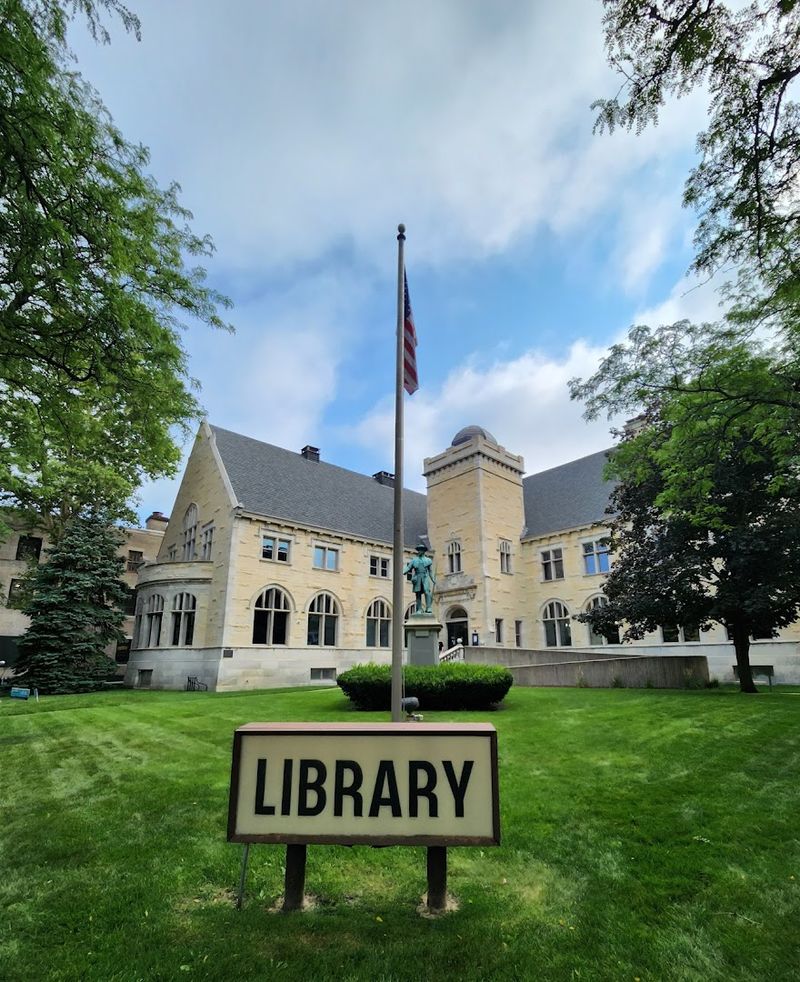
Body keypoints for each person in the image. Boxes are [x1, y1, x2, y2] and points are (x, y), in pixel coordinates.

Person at [403, 545, 436, 615]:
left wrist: (432, 579)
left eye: (421, 550)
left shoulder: (428, 560)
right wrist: (403, 571)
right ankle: (419, 609)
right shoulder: (414, 560)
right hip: (417, 577)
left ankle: (428, 608)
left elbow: (430, 571)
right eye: (419, 550)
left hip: (425, 577)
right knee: (418, 594)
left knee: (427, 592)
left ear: (424, 551)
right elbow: (408, 567)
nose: (419, 551)